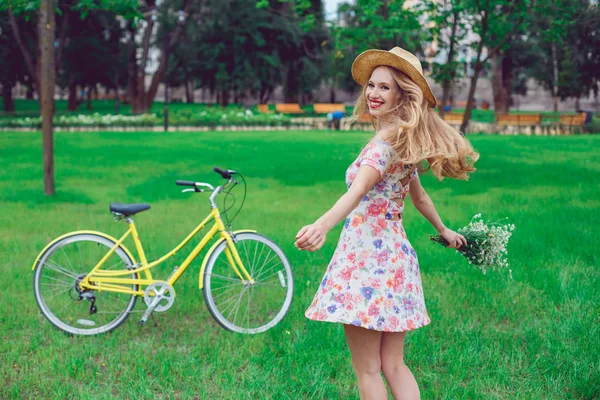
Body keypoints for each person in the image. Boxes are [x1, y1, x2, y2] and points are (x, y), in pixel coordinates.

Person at [295, 47, 479, 399]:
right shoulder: (404, 142)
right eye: (372, 86)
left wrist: (322, 224)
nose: (373, 94)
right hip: (395, 261)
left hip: (366, 261)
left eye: (385, 88)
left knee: (368, 370)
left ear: (401, 95)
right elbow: (419, 197)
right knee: (394, 365)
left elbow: (358, 190)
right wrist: (444, 230)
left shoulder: (382, 147)